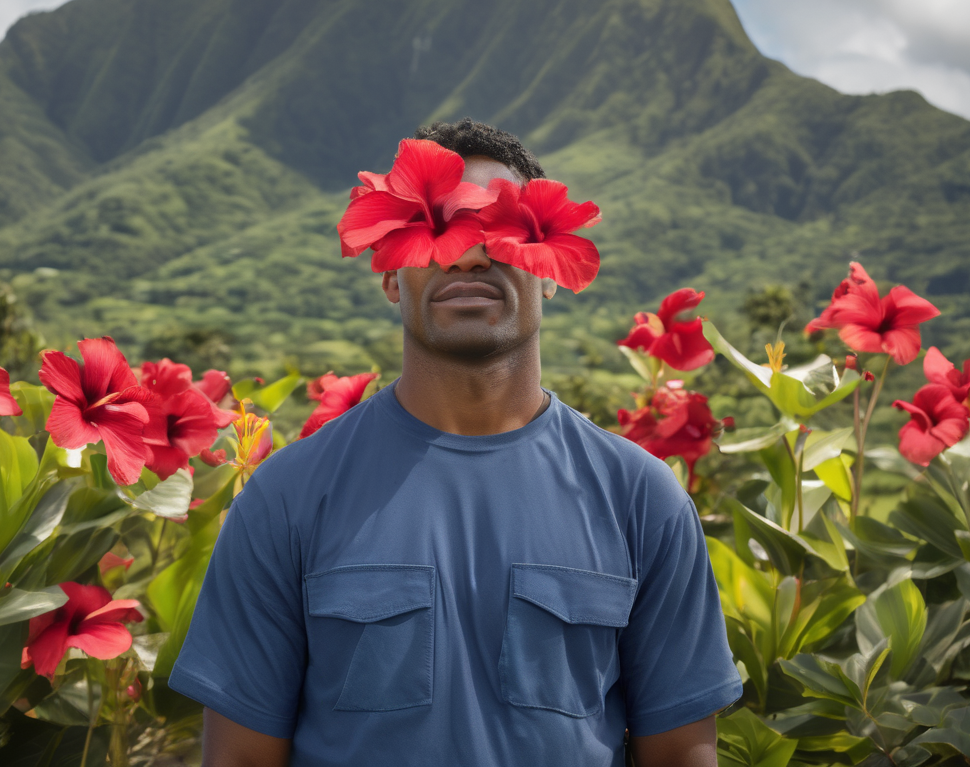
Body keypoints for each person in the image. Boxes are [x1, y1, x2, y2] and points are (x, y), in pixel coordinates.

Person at [169, 118, 742, 767]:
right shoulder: (285, 500)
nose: (469, 255)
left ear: (547, 267)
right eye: (436, 230)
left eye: (499, 231)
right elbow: (240, 759)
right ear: (390, 273)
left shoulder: (641, 501)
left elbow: (679, 756)